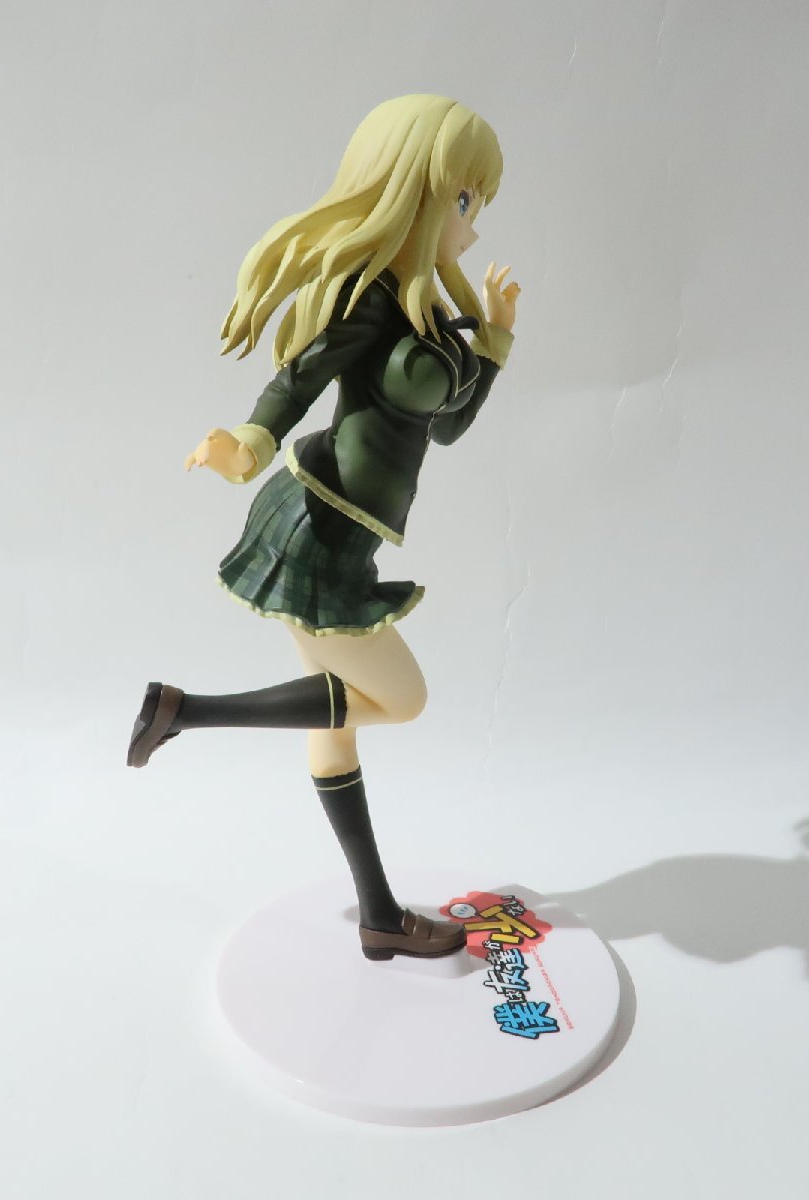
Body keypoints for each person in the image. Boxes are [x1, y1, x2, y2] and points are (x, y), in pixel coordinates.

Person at [127, 95, 520, 961]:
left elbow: (448, 428)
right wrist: (248, 442)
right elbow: (300, 379)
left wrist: (492, 342)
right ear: (415, 193)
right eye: (463, 201)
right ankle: (186, 712)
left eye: (477, 205)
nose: (472, 226)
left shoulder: (426, 311)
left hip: (344, 527)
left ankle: (379, 917)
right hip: (319, 529)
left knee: (336, 729)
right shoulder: (371, 302)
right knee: (404, 700)